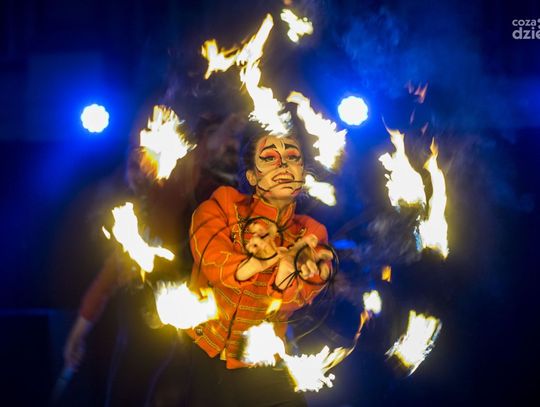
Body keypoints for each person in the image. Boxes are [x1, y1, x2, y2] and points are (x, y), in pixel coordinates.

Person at [62, 112, 245, 405]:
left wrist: (221, 134)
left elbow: (194, 162)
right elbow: (109, 276)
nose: (139, 172)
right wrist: (78, 331)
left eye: (144, 162)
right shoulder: (130, 216)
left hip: (195, 320)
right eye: (133, 166)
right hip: (148, 325)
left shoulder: (182, 191)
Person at [175, 131, 334, 406]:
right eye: (270, 158)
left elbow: (297, 298)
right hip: (201, 354)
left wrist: (286, 274)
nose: (283, 165)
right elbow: (210, 260)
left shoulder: (311, 233)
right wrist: (254, 264)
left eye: (292, 157)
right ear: (251, 176)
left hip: (262, 363)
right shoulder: (224, 204)